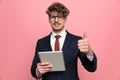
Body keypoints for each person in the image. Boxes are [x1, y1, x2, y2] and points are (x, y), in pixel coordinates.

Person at [31, 2, 97, 80]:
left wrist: (89, 52)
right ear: (49, 19)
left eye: (60, 17)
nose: (56, 20)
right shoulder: (41, 43)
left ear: (65, 19)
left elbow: (91, 68)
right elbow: (33, 69)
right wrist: (38, 71)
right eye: (53, 17)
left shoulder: (77, 41)